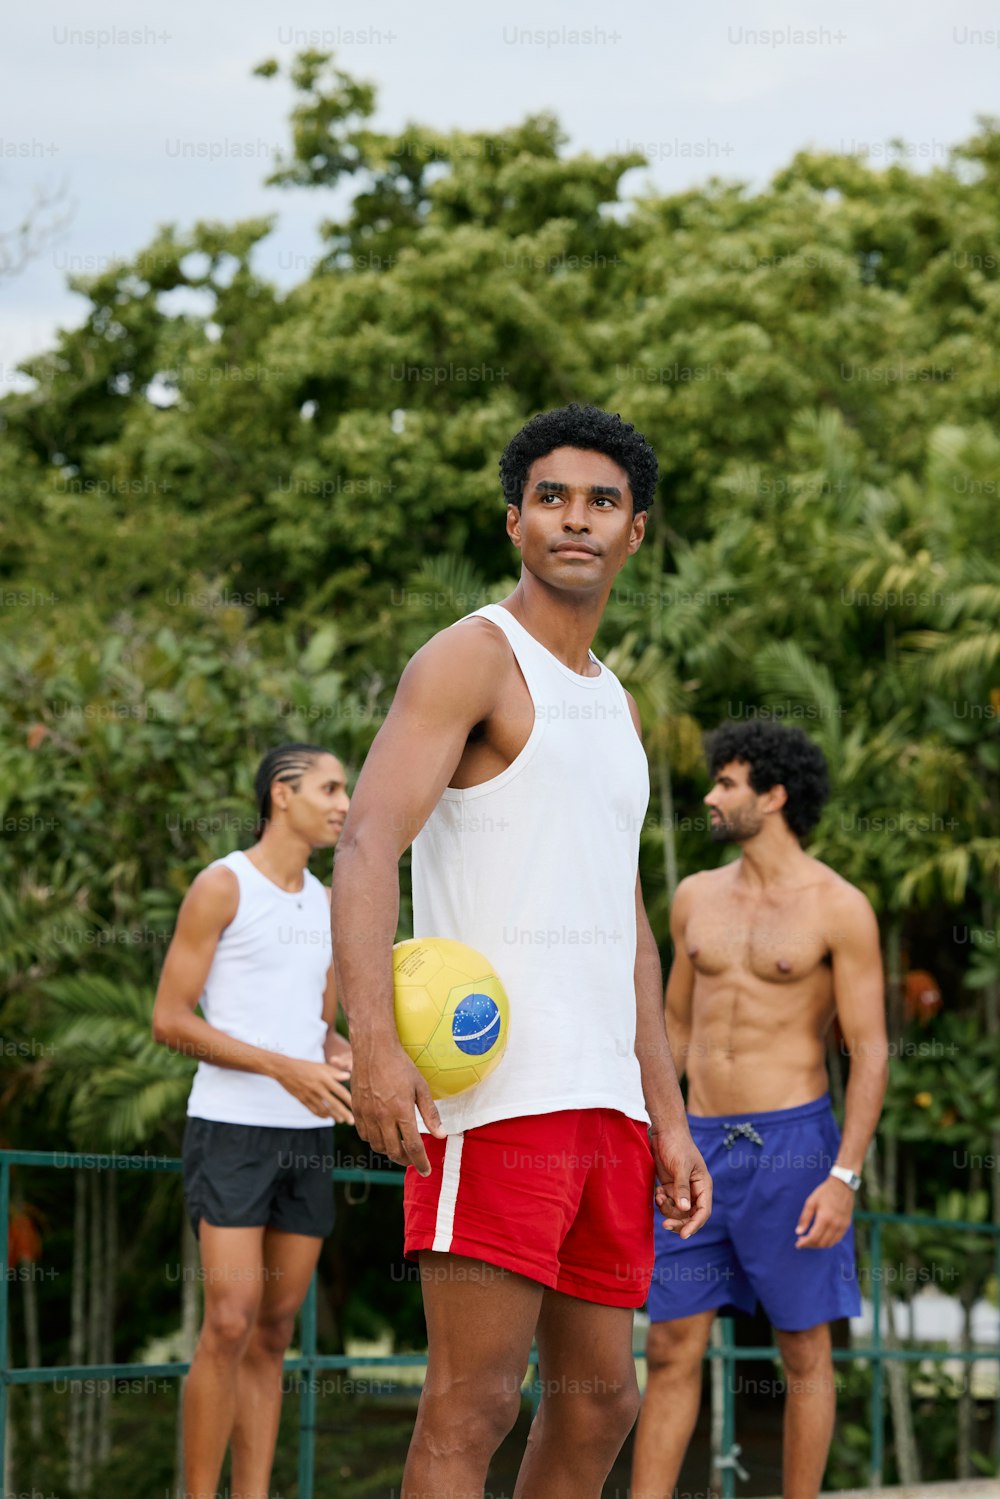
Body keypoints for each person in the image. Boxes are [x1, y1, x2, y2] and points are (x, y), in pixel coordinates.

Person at [331, 403, 712, 1499]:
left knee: (602, 1404)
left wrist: (668, 1113)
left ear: (635, 531)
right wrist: (374, 1043)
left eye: (602, 501)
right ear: (513, 520)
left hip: (606, 1104)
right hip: (490, 1093)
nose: (575, 518)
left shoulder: (616, 706)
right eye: (551, 497)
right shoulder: (469, 658)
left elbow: (626, 924)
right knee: (474, 1401)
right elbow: (363, 842)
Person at [632, 720, 888, 1499]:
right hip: (698, 1143)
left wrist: (844, 1174)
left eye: (727, 783)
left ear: (773, 796)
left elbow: (870, 1049)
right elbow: (673, 1027)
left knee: (804, 1351)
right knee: (673, 1345)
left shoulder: (839, 908)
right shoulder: (694, 895)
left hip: (793, 1147)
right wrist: (657, 1134)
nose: (710, 796)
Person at [152, 743, 354, 1499]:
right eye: (330, 788)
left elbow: (320, 1032)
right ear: (282, 793)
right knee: (230, 1323)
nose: (343, 803)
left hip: (307, 1139)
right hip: (231, 1128)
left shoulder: (329, 904)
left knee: (273, 1332)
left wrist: (355, 1066)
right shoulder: (222, 885)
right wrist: (282, 1067)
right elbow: (169, 1019)